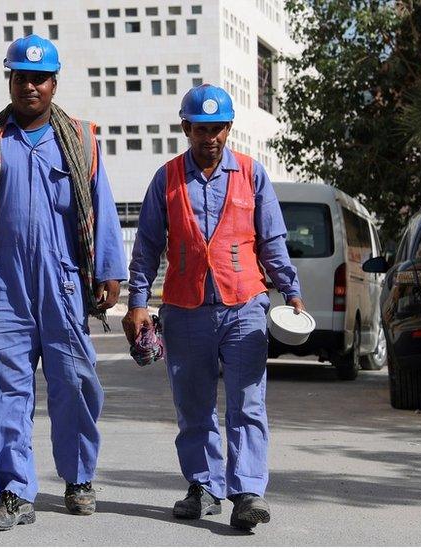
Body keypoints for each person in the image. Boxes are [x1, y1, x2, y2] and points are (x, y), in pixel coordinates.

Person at [0, 34, 127, 531]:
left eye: (39, 78)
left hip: (63, 281)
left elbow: (101, 206)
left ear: (54, 83)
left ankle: (79, 476)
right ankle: (14, 492)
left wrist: (109, 270)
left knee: (76, 383)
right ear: (10, 79)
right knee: (7, 390)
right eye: (21, 76)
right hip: (4, 281)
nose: (30, 86)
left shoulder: (81, 139)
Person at [122, 84, 304, 531]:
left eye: (219, 129)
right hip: (185, 309)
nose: (211, 138)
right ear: (186, 128)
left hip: (244, 304)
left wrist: (290, 290)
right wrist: (138, 302)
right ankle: (203, 487)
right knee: (194, 404)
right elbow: (146, 247)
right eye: (202, 129)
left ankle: (247, 493)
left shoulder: (251, 174)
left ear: (229, 128)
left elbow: (272, 240)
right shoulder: (166, 179)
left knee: (248, 403)